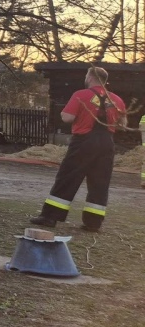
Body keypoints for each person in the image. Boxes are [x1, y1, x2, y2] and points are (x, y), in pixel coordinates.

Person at [30, 66, 125, 231]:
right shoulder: (116, 99)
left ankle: (50, 217)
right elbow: (122, 125)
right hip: (107, 143)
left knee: (67, 178)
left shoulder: (80, 95)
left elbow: (68, 117)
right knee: (99, 183)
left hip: (83, 142)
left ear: (90, 77)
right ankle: (93, 223)